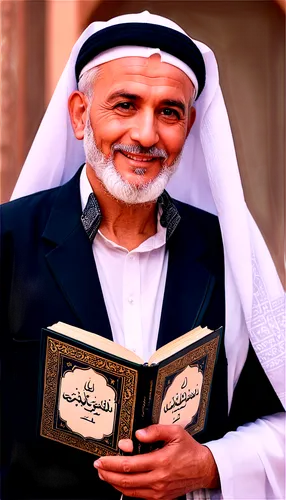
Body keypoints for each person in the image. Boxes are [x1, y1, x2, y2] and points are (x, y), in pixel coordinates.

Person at [1, 11, 285, 500]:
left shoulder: (226, 254)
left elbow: (279, 414)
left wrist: (212, 463)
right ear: (78, 114)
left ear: (189, 125)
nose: (147, 135)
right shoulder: (7, 241)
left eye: (169, 112)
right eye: (125, 105)